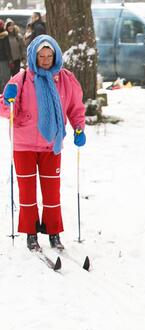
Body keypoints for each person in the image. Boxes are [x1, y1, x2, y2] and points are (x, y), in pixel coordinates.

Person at [1, 35, 86, 252]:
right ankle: (31, 233)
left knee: (52, 191)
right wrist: (6, 99)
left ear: (55, 55)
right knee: (27, 191)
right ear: (34, 56)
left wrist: (78, 128)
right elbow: (6, 111)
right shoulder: (20, 79)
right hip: (24, 145)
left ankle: (53, 233)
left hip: (51, 144)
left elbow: (76, 107)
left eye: (50, 55)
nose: (46, 59)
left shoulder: (66, 79)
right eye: (42, 56)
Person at [0, 24, 10, 91]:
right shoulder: (5, 36)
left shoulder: (5, 36)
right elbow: (7, 48)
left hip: (3, 59)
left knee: (3, 77)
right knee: (5, 77)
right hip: (4, 59)